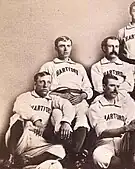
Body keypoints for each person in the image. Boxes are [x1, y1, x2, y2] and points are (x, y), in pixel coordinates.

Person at [39, 36, 92, 167]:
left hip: (78, 97)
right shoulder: (49, 66)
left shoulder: (78, 67)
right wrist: (59, 95)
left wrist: (82, 96)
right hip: (58, 98)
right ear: (56, 48)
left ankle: (71, 157)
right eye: (62, 46)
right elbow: (43, 88)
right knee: (58, 119)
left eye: (68, 45)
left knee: (82, 119)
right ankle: (75, 157)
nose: (65, 48)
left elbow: (88, 88)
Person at [4, 72, 72, 168]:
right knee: (18, 117)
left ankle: (27, 161)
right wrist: (37, 121)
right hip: (22, 138)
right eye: (41, 82)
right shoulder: (26, 96)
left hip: (39, 142)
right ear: (35, 84)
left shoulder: (52, 99)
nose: (45, 85)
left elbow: (67, 105)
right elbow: (20, 108)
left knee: (60, 150)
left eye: (48, 82)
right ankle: (10, 157)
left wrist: (66, 122)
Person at [88, 74, 135, 169]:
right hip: (106, 143)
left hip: (123, 142)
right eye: (112, 86)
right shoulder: (96, 106)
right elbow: (102, 133)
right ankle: (127, 165)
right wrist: (125, 128)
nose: (116, 90)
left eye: (118, 86)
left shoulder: (124, 104)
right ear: (103, 87)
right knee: (98, 156)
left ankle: (132, 160)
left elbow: (133, 123)